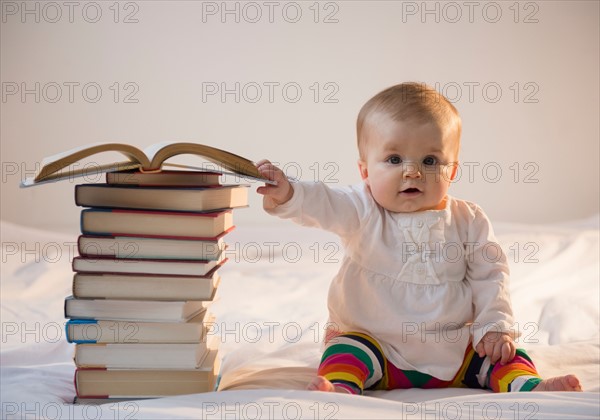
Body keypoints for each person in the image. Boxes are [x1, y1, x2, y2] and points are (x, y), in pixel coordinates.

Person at [255, 82, 582, 394]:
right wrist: (288, 193)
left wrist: (494, 326)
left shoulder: (469, 220)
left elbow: (491, 276)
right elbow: (323, 202)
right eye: (394, 160)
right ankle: (341, 386)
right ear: (365, 171)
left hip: (456, 352)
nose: (412, 171)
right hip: (378, 346)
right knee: (345, 349)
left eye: (430, 161)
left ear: (452, 171)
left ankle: (530, 384)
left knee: (503, 354)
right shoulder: (362, 209)